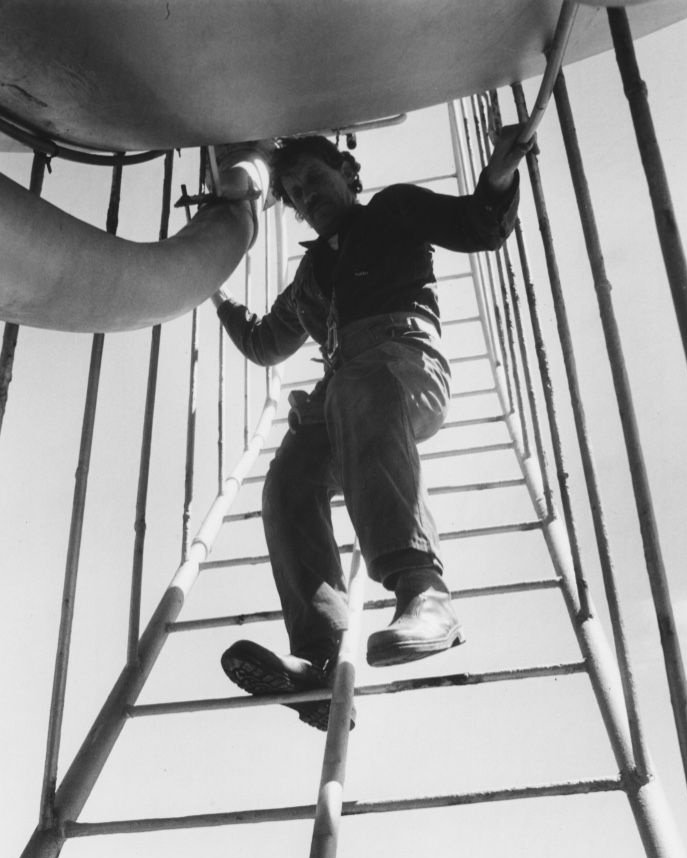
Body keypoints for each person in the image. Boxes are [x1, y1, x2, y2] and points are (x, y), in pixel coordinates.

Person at [210, 125, 530, 731]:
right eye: (296, 193)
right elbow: (265, 342)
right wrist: (215, 294)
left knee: (358, 385)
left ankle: (424, 595)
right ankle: (322, 660)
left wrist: (498, 175)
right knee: (288, 482)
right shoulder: (310, 278)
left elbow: (480, 226)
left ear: (345, 172)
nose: (307, 197)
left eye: (314, 179)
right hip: (345, 393)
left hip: (402, 363)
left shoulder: (393, 210)